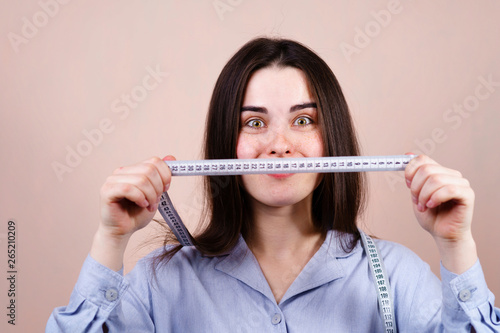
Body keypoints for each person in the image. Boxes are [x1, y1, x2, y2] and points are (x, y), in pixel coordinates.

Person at [47, 37, 499, 332]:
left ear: (332, 139)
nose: (280, 145)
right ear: (227, 141)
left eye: (303, 120)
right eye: (255, 122)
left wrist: (457, 247)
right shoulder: (159, 285)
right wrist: (111, 240)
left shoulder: (397, 277)